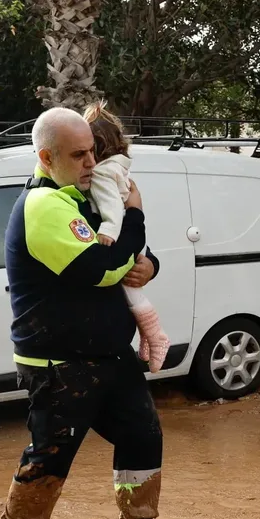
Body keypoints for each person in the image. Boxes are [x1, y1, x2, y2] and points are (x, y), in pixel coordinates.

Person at [0, 106, 195, 519]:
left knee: (142, 436)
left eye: (93, 154)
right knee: (52, 452)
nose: (91, 164)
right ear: (46, 156)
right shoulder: (45, 206)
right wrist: (138, 215)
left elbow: (124, 249)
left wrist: (151, 264)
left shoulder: (81, 197)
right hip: (58, 362)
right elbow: (100, 268)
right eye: (80, 155)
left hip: (108, 355)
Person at [82, 101, 170, 373]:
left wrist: (151, 265)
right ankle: (151, 335)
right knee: (134, 298)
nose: (85, 161)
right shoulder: (118, 169)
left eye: (87, 150)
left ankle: (154, 335)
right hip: (97, 344)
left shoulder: (99, 175)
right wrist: (134, 212)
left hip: (112, 347)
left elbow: (124, 225)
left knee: (134, 296)